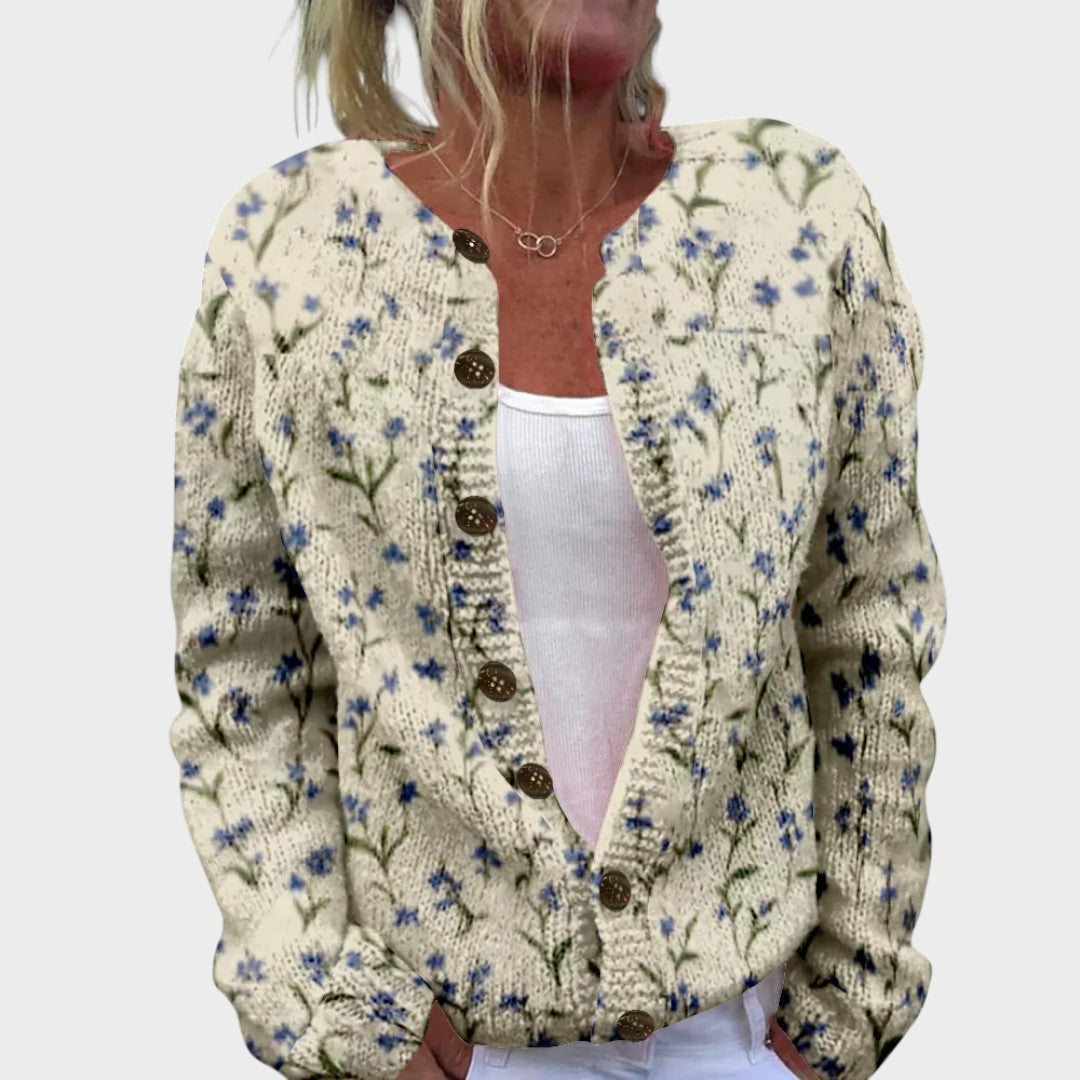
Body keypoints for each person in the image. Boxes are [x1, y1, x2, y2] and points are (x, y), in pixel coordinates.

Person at [169, 2, 946, 1079]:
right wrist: (328, 1006)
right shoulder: (291, 247)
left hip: (744, 1040)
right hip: (441, 1044)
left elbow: (869, 633)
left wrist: (841, 1015)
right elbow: (243, 668)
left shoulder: (794, 215)